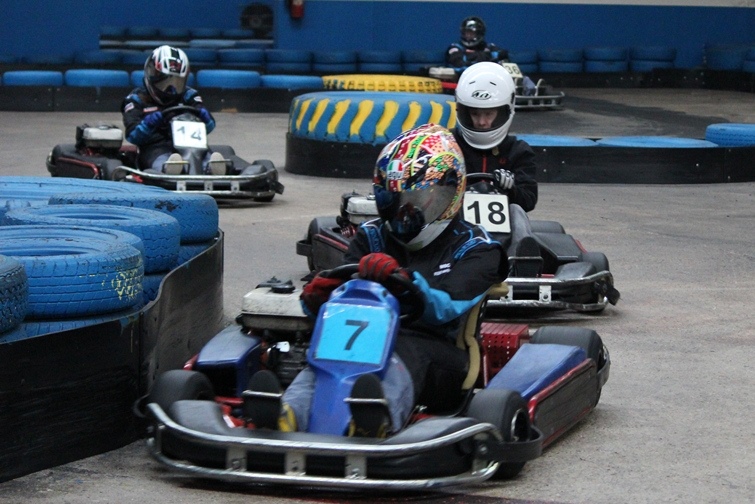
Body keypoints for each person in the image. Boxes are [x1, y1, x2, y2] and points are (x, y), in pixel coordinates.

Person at [246, 124, 506, 437]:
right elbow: (344, 297)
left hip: (439, 357)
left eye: (419, 199)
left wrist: (404, 281)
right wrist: (320, 296)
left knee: (401, 348)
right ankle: (286, 415)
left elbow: (445, 307)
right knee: (326, 348)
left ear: (448, 193)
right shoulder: (371, 236)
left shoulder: (478, 249)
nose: (406, 212)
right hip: (362, 341)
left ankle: (375, 420)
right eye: (396, 201)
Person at [453, 61, 542, 277]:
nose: (482, 122)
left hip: (506, 236)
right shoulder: (449, 145)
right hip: (456, 229)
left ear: (505, 111)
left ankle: (521, 261)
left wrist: (510, 190)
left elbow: (529, 199)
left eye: (489, 114)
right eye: (475, 114)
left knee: (517, 210)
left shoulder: (517, 151)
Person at [121, 45, 225, 175]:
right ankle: (171, 170)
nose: (170, 89)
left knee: (206, 156)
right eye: (165, 82)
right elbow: (132, 135)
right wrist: (149, 123)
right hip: (155, 147)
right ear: (152, 75)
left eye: (177, 83)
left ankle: (212, 169)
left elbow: (209, 127)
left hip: (193, 145)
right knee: (162, 159)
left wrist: (205, 116)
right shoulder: (137, 100)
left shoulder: (189, 95)